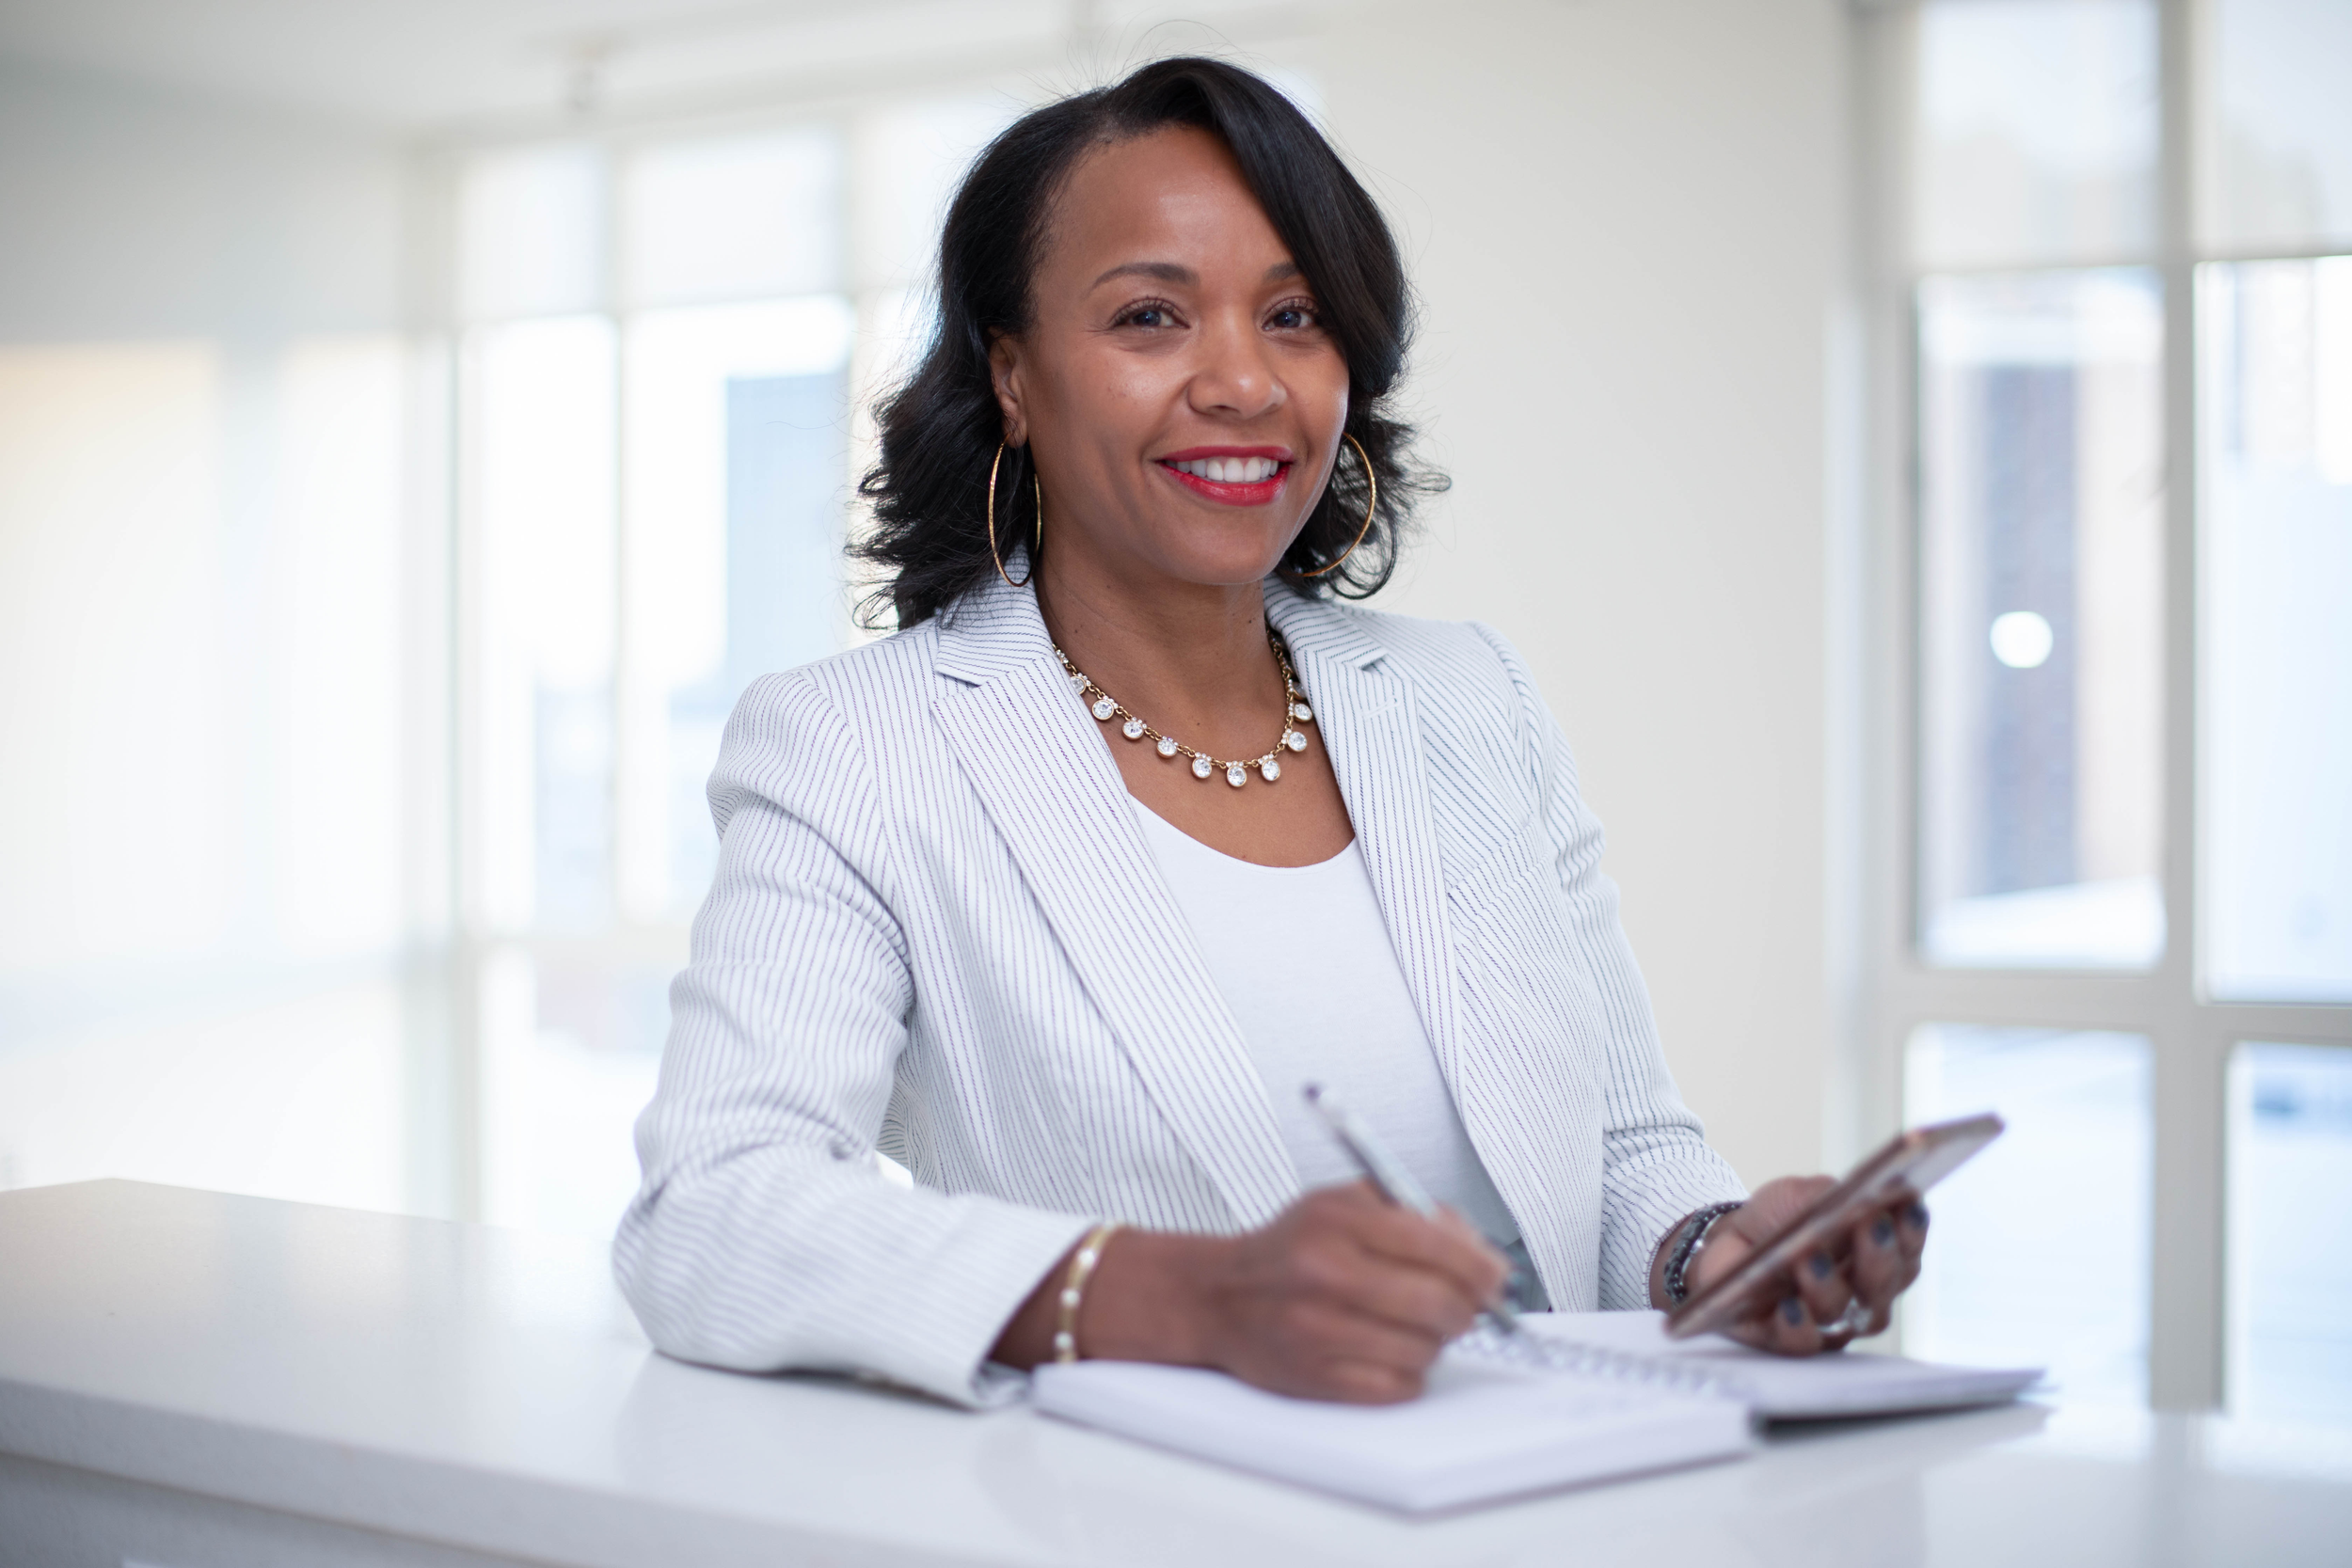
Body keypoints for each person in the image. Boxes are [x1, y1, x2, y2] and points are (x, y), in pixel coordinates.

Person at [614, 56, 1927, 1408]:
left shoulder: (1470, 699)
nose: (1243, 381)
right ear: (1012, 374)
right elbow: (715, 1212)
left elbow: (1625, 1142)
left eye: (1294, 315)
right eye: (1150, 318)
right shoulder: (858, 747)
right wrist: (1188, 1296)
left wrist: (1716, 1253)